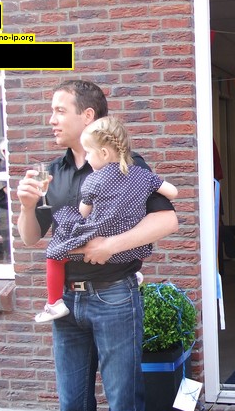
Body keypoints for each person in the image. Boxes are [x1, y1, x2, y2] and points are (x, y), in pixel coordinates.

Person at [16, 79, 178, 411]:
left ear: (88, 116)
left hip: (115, 297)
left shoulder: (125, 162)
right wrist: (26, 206)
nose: (51, 119)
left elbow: (168, 219)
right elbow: (31, 237)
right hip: (66, 305)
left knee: (126, 408)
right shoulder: (52, 172)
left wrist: (112, 244)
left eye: (59, 110)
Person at [35, 116, 178, 322]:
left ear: (103, 153)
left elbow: (83, 212)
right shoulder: (142, 174)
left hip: (98, 240)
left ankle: (54, 303)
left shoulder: (93, 180)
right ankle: (133, 276)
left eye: (89, 153)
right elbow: (172, 192)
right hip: (130, 251)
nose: (87, 159)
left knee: (55, 253)